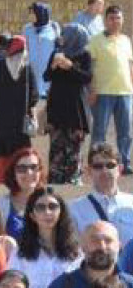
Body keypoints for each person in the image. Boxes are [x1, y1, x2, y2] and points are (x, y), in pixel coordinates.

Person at [6, 187, 82, 288]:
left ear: (61, 212)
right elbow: (11, 283)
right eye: (40, 207)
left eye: (53, 206)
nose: (47, 212)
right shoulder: (21, 253)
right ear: (32, 215)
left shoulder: (76, 252)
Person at [0, 35, 39, 183]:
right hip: (20, 127)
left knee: (0, 166)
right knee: (20, 162)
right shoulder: (27, 70)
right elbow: (34, 98)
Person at [44, 23, 93, 184]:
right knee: (56, 144)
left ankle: (73, 177)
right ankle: (56, 176)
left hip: (76, 109)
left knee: (75, 145)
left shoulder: (84, 55)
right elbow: (46, 77)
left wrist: (70, 67)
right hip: (57, 107)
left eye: (66, 34)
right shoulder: (56, 53)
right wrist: (53, 65)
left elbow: (87, 77)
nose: (63, 37)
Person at [88, 5, 133, 174]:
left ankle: (124, 163)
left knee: (126, 132)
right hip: (103, 92)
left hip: (125, 92)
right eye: (112, 18)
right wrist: (92, 89)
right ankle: (95, 163)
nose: (115, 21)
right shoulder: (96, 40)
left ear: (122, 20)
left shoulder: (126, 40)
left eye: (118, 18)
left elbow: (129, 65)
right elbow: (90, 66)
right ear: (106, 20)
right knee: (100, 131)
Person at [69, 142, 133, 242]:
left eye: (110, 165)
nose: (105, 170)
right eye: (98, 166)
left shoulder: (131, 203)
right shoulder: (74, 209)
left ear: (120, 169)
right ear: (89, 171)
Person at [0, 147, 46, 241]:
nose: (29, 173)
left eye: (34, 167)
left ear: (40, 171)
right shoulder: (0, 205)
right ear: (13, 173)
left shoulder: (51, 204)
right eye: (22, 168)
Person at [23, 2, 61, 99]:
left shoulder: (54, 28)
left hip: (48, 73)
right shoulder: (27, 29)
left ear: (41, 13)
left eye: (33, 12)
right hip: (32, 70)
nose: (31, 15)